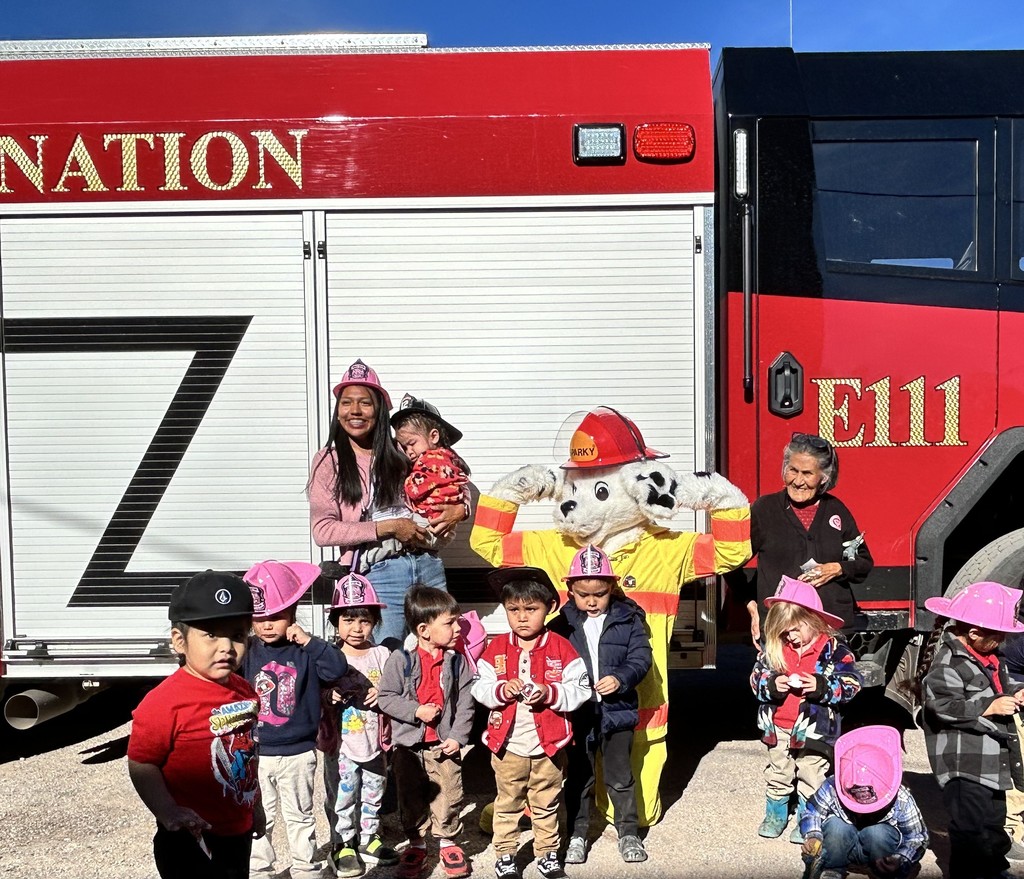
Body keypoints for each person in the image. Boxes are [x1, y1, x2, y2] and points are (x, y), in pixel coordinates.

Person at [308, 358, 465, 648]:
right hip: (378, 573)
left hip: (427, 562)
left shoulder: (402, 449)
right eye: (346, 402)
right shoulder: (329, 460)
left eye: (365, 403)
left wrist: (461, 508)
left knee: (442, 652)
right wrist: (390, 527)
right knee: (385, 655)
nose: (355, 410)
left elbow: (448, 472)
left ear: (379, 409)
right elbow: (323, 531)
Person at [127, 571, 264, 879]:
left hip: (236, 833)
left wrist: (254, 807)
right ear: (179, 641)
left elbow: (246, 757)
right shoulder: (163, 702)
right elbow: (142, 762)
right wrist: (166, 811)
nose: (227, 646)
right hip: (189, 837)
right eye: (211, 634)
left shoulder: (245, 691)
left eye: (238, 634)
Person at [472, 567, 592, 879]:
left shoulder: (562, 648)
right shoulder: (495, 648)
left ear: (549, 607)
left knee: (546, 802)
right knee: (507, 803)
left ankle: (548, 854)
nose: (522, 617)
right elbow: (480, 687)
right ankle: (506, 855)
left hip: (549, 745)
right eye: (514, 610)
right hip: (508, 746)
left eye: (531, 609)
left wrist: (550, 693)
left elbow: (579, 690)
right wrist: (500, 690)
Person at [241, 560, 347, 879]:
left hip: (299, 753)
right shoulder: (246, 651)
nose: (267, 624)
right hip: (257, 753)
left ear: (293, 613)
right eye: (259, 618)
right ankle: (258, 870)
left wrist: (310, 642)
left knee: (300, 816)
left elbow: (336, 669)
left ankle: (305, 868)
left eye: (276, 616)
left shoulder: (305, 651)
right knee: (261, 819)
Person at [547, 544, 653, 864]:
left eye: (600, 593)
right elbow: (552, 662)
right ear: (570, 590)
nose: (591, 601)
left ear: (611, 588)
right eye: (583, 594)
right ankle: (577, 834)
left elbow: (641, 657)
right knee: (579, 775)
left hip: (617, 710)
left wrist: (621, 678)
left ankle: (628, 832)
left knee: (620, 775)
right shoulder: (560, 624)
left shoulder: (629, 617)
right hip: (578, 713)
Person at [918, 580, 1024, 879]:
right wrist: (988, 707)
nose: (1003, 640)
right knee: (969, 828)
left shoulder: (990, 658)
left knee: (993, 822)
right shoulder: (948, 663)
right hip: (964, 762)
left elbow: (1002, 684)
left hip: (991, 760)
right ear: (974, 633)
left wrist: (1017, 690)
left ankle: (995, 868)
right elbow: (941, 706)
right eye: (998, 634)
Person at [751, 575, 862, 843]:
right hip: (778, 726)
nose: (790, 636)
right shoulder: (775, 648)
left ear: (813, 620)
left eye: (795, 629)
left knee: (811, 771)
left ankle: (808, 814)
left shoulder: (834, 650)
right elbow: (756, 679)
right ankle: (776, 813)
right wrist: (772, 684)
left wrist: (821, 685)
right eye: (784, 631)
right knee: (779, 770)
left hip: (816, 728)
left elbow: (852, 683)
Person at [377, 585, 476, 879]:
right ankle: (417, 844)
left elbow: (466, 703)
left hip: (443, 745)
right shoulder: (401, 660)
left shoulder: (457, 662)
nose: (458, 628)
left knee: (448, 793)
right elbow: (386, 698)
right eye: (450, 623)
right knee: (411, 796)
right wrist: (416, 711)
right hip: (409, 747)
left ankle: (447, 841)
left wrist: (457, 736)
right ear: (424, 629)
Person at [742, 433, 873, 642]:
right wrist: (751, 606)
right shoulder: (765, 509)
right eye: (793, 470)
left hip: (829, 631)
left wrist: (837, 568)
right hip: (781, 630)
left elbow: (863, 562)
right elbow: (729, 562)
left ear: (823, 478)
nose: (798, 481)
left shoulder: (836, 510)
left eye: (807, 473)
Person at [319, 573, 399, 878]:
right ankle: (344, 843)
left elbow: (396, 690)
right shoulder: (331, 656)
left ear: (375, 621)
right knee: (343, 795)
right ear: (336, 622)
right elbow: (317, 692)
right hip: (342, 745)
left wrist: (385, 694)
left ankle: (369, 837)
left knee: (375, 791)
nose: (356, 627)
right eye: (348, 619)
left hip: (375, 741)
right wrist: (330, 694)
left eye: (364, 620)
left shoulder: (383, 654)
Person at [800, 724, 928, 879]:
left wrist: (901, 859)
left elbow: (917, 837)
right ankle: (831, 869)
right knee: (836, 826)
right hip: (841, 849)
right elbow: (813, 812)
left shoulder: (901, 798)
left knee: (876, 833)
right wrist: (813, 835)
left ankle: (883, 872)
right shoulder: (833, 785)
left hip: (881, 854)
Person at [390, 393, 471, 528]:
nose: (408, 451)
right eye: (404, 447)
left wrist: (463, 509)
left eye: (412, 443)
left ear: (433, 436)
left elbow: (463, 491)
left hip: (427, 526)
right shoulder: (449, 460)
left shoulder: (432, 462)